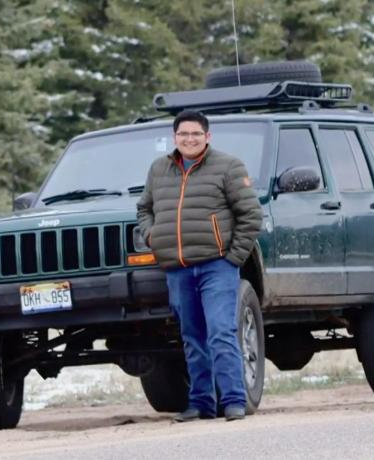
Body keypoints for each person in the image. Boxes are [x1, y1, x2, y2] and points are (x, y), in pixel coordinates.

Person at [136, 110, 263, 422]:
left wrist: (233, 257)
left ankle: (233, 401)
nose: (188, 139)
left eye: (195, 134)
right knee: (192, 337)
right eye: (183, 134)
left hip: (217, 266)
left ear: (207, 136)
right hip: (177, 269)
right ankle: (202, 404)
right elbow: (144, 208)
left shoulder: (228, 166)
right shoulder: (159, 168)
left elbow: (251, 215)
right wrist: (152, 235)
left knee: (221, 331)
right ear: (174, 137)